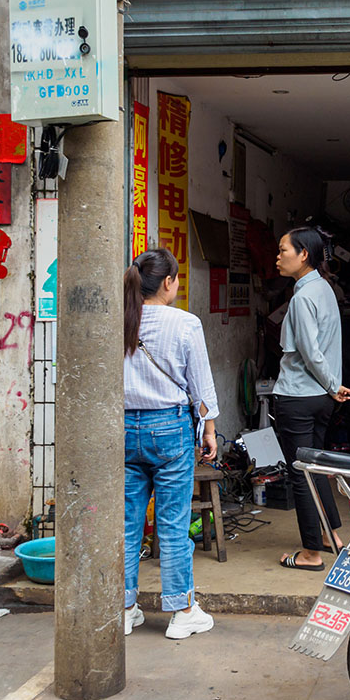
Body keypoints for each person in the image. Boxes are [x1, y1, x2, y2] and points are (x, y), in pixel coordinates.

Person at [123, 248, 219, 639]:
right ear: (167, 282)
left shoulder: (122, 320)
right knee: (173, 522)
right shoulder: (185, 324)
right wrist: (209, 430)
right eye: (177, 278)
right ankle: (182, 611)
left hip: (125, 428)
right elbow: (201, 385)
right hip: (170, 429)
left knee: (128, 523)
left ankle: (125, 607)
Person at [275, 226, 350, 571]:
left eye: (283, 251)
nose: (278, 258)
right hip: (320, 399)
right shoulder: (323, 289)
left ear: (303, 254)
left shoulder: (302, 298)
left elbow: (309, 351)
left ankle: (310, 554)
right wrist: (332, 387)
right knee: (315, 469)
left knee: (300, 474)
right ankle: (330, 535)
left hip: (300, 396)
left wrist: (333, 383)